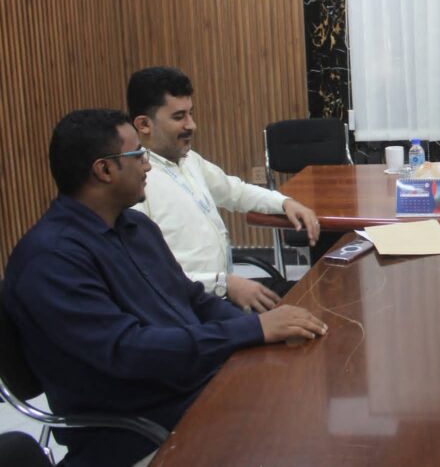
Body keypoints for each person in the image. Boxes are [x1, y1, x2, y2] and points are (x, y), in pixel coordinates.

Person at [3, 109, 327, 467]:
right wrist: (250, 330)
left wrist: (262, 328)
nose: (148, 166)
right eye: (137, 155)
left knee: (310, 401)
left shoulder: (135, 226)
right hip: (138, 433)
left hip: (196, 389)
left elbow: (193, 299)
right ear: (104, 170)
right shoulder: (52, 261)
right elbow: (130, 352)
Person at [127, 66, 320, 312]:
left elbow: (235, 192)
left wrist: (284, 203)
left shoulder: (189, 160)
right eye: (179, 117)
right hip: (189, 309)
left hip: (222, 293)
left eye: (190, 114)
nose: (192, 125)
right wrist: (222, 284)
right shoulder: (134, 185)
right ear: (144, 124)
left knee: (316, 294)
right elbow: (148, 274)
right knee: (304, 316)